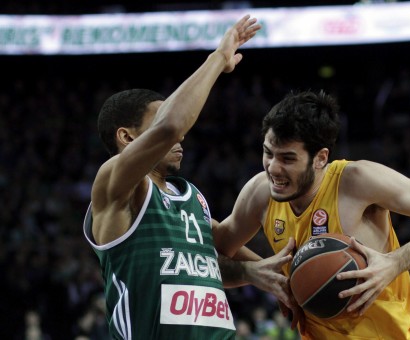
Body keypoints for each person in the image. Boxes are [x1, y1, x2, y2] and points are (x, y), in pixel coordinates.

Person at [82, 15, 295, 339]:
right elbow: (173, 125)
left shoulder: (189, 195)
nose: (178, 139)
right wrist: (218, 58)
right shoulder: (117, 184)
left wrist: (260, 272)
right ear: (127, 137)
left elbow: (213, 252)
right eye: (160, 122)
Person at [215, 90, 410, 339]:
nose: (273, 168)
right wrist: (254, 273)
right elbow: (206, 253)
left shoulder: (356, 181)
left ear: (321, 158)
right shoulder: (259, 194)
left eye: (287, 158)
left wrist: (395, 262)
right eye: (267, 153)